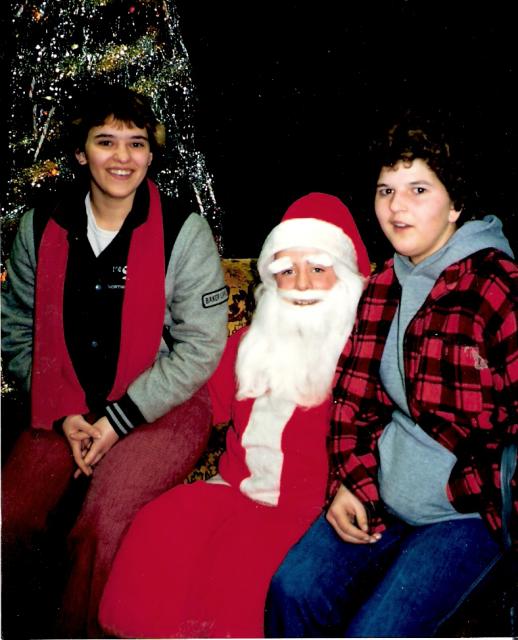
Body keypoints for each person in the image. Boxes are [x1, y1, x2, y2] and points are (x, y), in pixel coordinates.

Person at [264, 115, 518, 637]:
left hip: (465, 516)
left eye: (418, 189)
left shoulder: (496, 286)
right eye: (386, 190)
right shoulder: (382, 281)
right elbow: (354, 401)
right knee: (291, 591)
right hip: (381, 498)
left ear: (456, 205)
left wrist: (484, 498)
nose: (396, 207)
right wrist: (349, 484)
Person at [1, 84, 228, 638]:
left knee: (104, 524)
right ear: (81, 152)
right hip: (64, 402)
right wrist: (59, 413)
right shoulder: (38, 227)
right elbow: (15, 327)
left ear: (152, 152)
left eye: (137, 143)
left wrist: (119, 419)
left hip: (162, 405)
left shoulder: (183, 231)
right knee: (11, 518)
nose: (123, 157)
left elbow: (199, 346)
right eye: (106, 142)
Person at [98, 191, 371, 638]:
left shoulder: (362, 352)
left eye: (318, 269)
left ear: (345, 277)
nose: (300, 284)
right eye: (287, 270)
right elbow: (199, 396)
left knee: (235, 574)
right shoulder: (252, 340)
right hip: (233, 488)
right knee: (159, 526)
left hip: (305, 509)